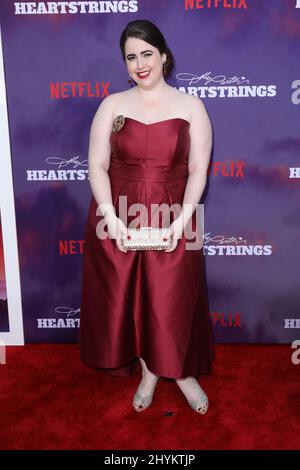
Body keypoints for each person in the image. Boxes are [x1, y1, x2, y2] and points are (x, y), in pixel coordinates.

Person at [80, 19, 215, 413]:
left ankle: (181, 373)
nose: (140, 64)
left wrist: (183, 220)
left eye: (147, 54)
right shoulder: (112, 105)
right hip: (119, 212)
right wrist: (111, 218)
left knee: (172, 297)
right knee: (130, 299)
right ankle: (149, 372)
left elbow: (198, 171)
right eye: (131, 57)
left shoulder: (192, 106)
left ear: (164, 56)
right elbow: (96, 165)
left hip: (177, 211)